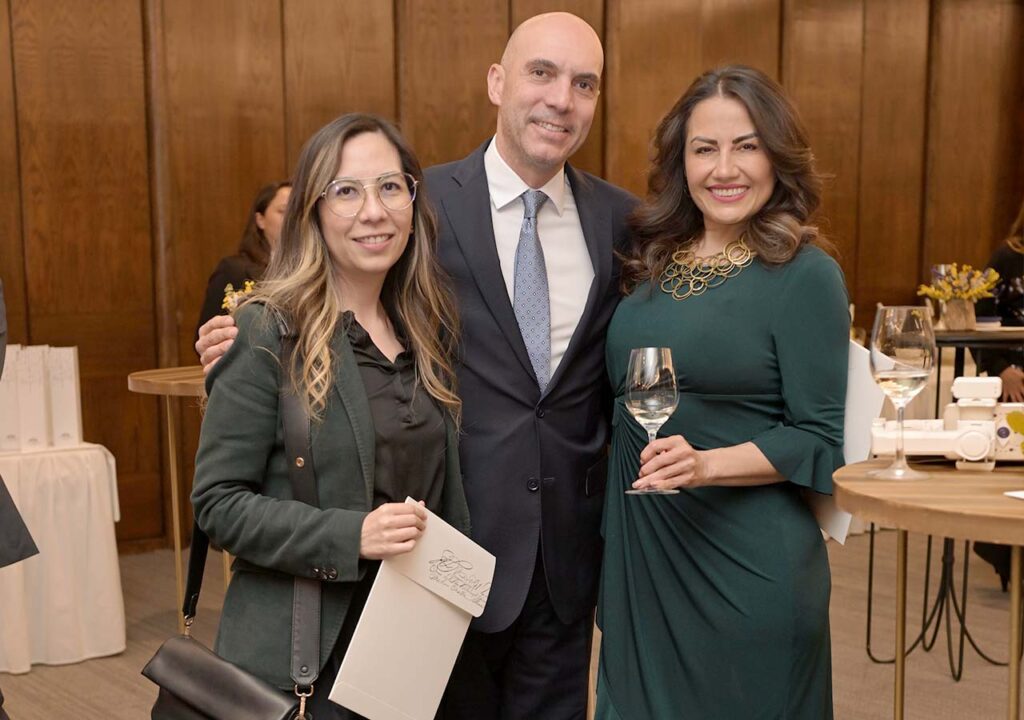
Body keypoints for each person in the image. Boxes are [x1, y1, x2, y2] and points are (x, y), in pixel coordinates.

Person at [197, 12, 635, 718]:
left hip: (558, 562)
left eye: (584, 83)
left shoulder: (622, 221)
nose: (561, 98)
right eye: (541, 73)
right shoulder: (419, 203)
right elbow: (301, 328)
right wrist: (241, 337)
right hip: (426, 569)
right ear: (497, 82)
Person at [191, 113, 468, 718]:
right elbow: (218, 503)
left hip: (408, 649)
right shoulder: (266, 329)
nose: (374, 211)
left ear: (413, 202)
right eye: (346, 191)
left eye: (390, 187)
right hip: (306, 662)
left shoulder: (426, 328)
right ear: (312, 211)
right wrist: (352, 535)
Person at [596, 65, 849, 719]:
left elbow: (817, 439)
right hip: (644, 559)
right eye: (704, 149)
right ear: (681, 162)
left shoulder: (804, 274)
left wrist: (706, 465)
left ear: (777, 156)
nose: (724, 169)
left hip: (744, 567)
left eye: (746, 146)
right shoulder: (651, 261)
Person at [971, 195, 1024, 589]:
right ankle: (1007, 559)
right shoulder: (1008, 257)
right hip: (1014, 382)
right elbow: (980, 314)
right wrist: (1002, 369)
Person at [194, 180, 291, 338]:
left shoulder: (317, 268)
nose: (293, 219)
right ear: (260, 220)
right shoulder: (234, 270)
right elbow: (206, 337)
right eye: (284, 211)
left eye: (298, 211)